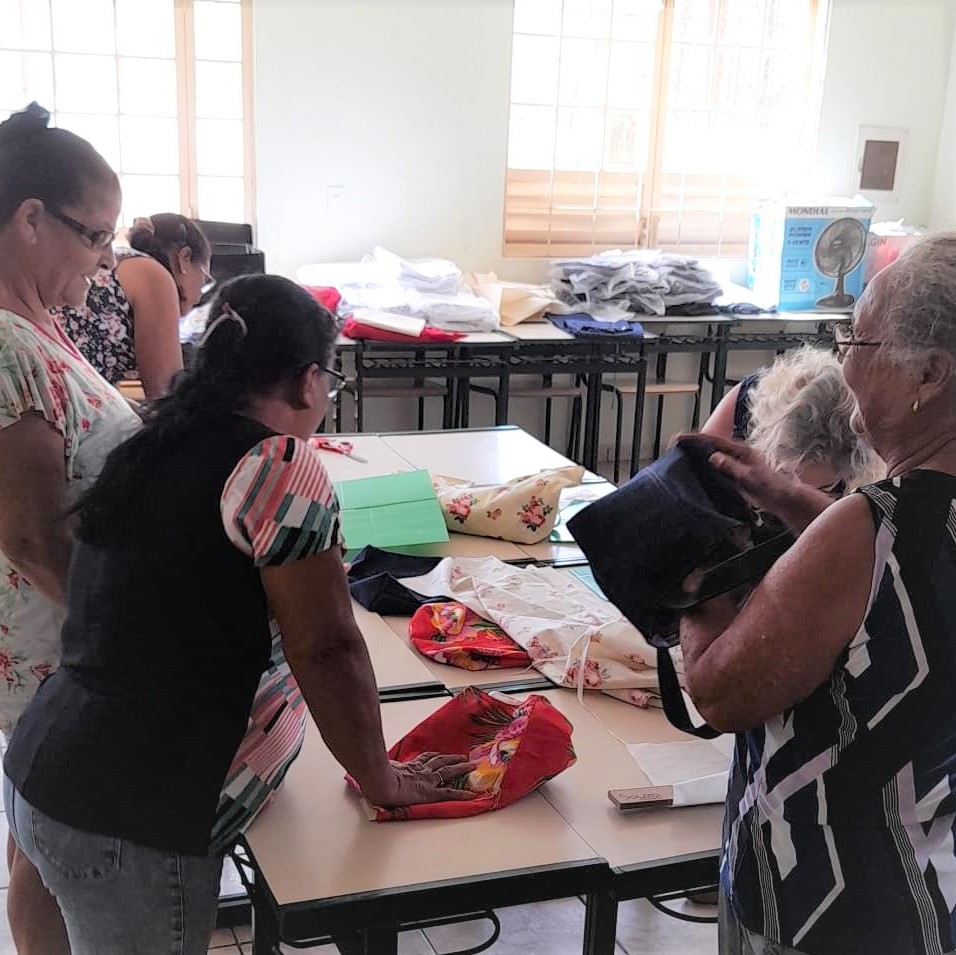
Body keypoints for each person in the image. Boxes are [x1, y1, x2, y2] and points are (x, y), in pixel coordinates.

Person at [3, 273, 476, 955]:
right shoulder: (279, 461)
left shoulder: (153, 440)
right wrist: (383, 776)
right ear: (310, 381)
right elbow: (328, 648)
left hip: (48, 769)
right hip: (131, 813)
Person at [678, 233, 956, 954]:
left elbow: (719, 692)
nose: (844, 361)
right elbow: (905, 596)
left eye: (858, 338)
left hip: (829, 901)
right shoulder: (880, 530)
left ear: (930, 371)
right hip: (933, 889)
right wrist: (805, 510)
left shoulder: (872, 528)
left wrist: (699, 568)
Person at [0, 102, 141, 953]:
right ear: (28, 219)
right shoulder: (4, 343)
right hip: (64, 644)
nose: (102, 262)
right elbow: (30, 534)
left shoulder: (34, 324)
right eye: (94, 236)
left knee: (34, 846)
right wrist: (127, 633)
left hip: (68, 640)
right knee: (52, 851)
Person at [700, 345, 883, 535]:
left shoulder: (875, 464)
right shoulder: (746, 404)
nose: (798, 494)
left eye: (824, 488)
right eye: (786, 474)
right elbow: (696, 479)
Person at [53, 213, 212, 399]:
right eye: (204, 279)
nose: (201, 294)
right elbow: (166, 397)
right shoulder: (154, 277)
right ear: (185, 258)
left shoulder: (125, 262)